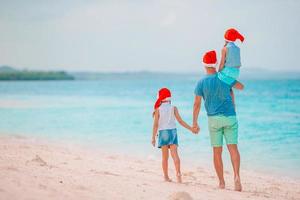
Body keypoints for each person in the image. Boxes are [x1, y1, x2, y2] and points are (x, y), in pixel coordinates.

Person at [193, 50, 242, 191]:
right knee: (233, 148)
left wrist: (195, 123)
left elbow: (196, 104)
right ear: (215, 63)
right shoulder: (224, 77)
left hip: (213, 120)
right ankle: (237, 176)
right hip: (230, 117)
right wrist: (230, 84)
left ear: (204, 65)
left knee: (217, 152)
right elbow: (241, 87)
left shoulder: (201, 82)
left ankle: (221, 182)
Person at [151, 88, 197, 183]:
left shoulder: (158, 110)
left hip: (163, 133)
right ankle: (178, 174)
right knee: (175, 155)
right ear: (169, 98)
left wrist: (153, 137)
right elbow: (180, 121)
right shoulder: (173, 108)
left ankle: (166, 177)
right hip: (172, 132)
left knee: (165, 157)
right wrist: (191, 128)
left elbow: (155, 125)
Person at [218, 28, 245, 105]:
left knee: (217, 81)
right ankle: (233, 106)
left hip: (228, 72)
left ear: (225, 39)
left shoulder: (225, 49)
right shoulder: (238, 48)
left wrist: (218, 73)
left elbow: (222, 63)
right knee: (229, 88)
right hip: (236, 72)